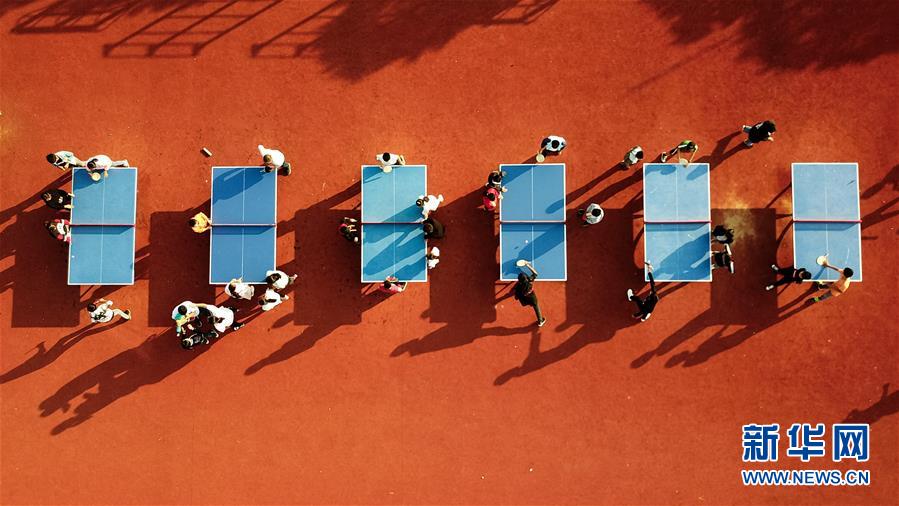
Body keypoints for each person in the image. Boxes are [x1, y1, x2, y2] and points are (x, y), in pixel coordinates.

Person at [513, 261, 545, 327]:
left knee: (523, 300)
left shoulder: (518, 287)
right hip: (531, 297)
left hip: (524, 298)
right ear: (526, 279)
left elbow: (516, 297)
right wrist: (528, 265)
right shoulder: (529, 280)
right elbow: (535, 273)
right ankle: (540, 321)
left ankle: (526, 304)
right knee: (536, 306)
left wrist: (517, 296)